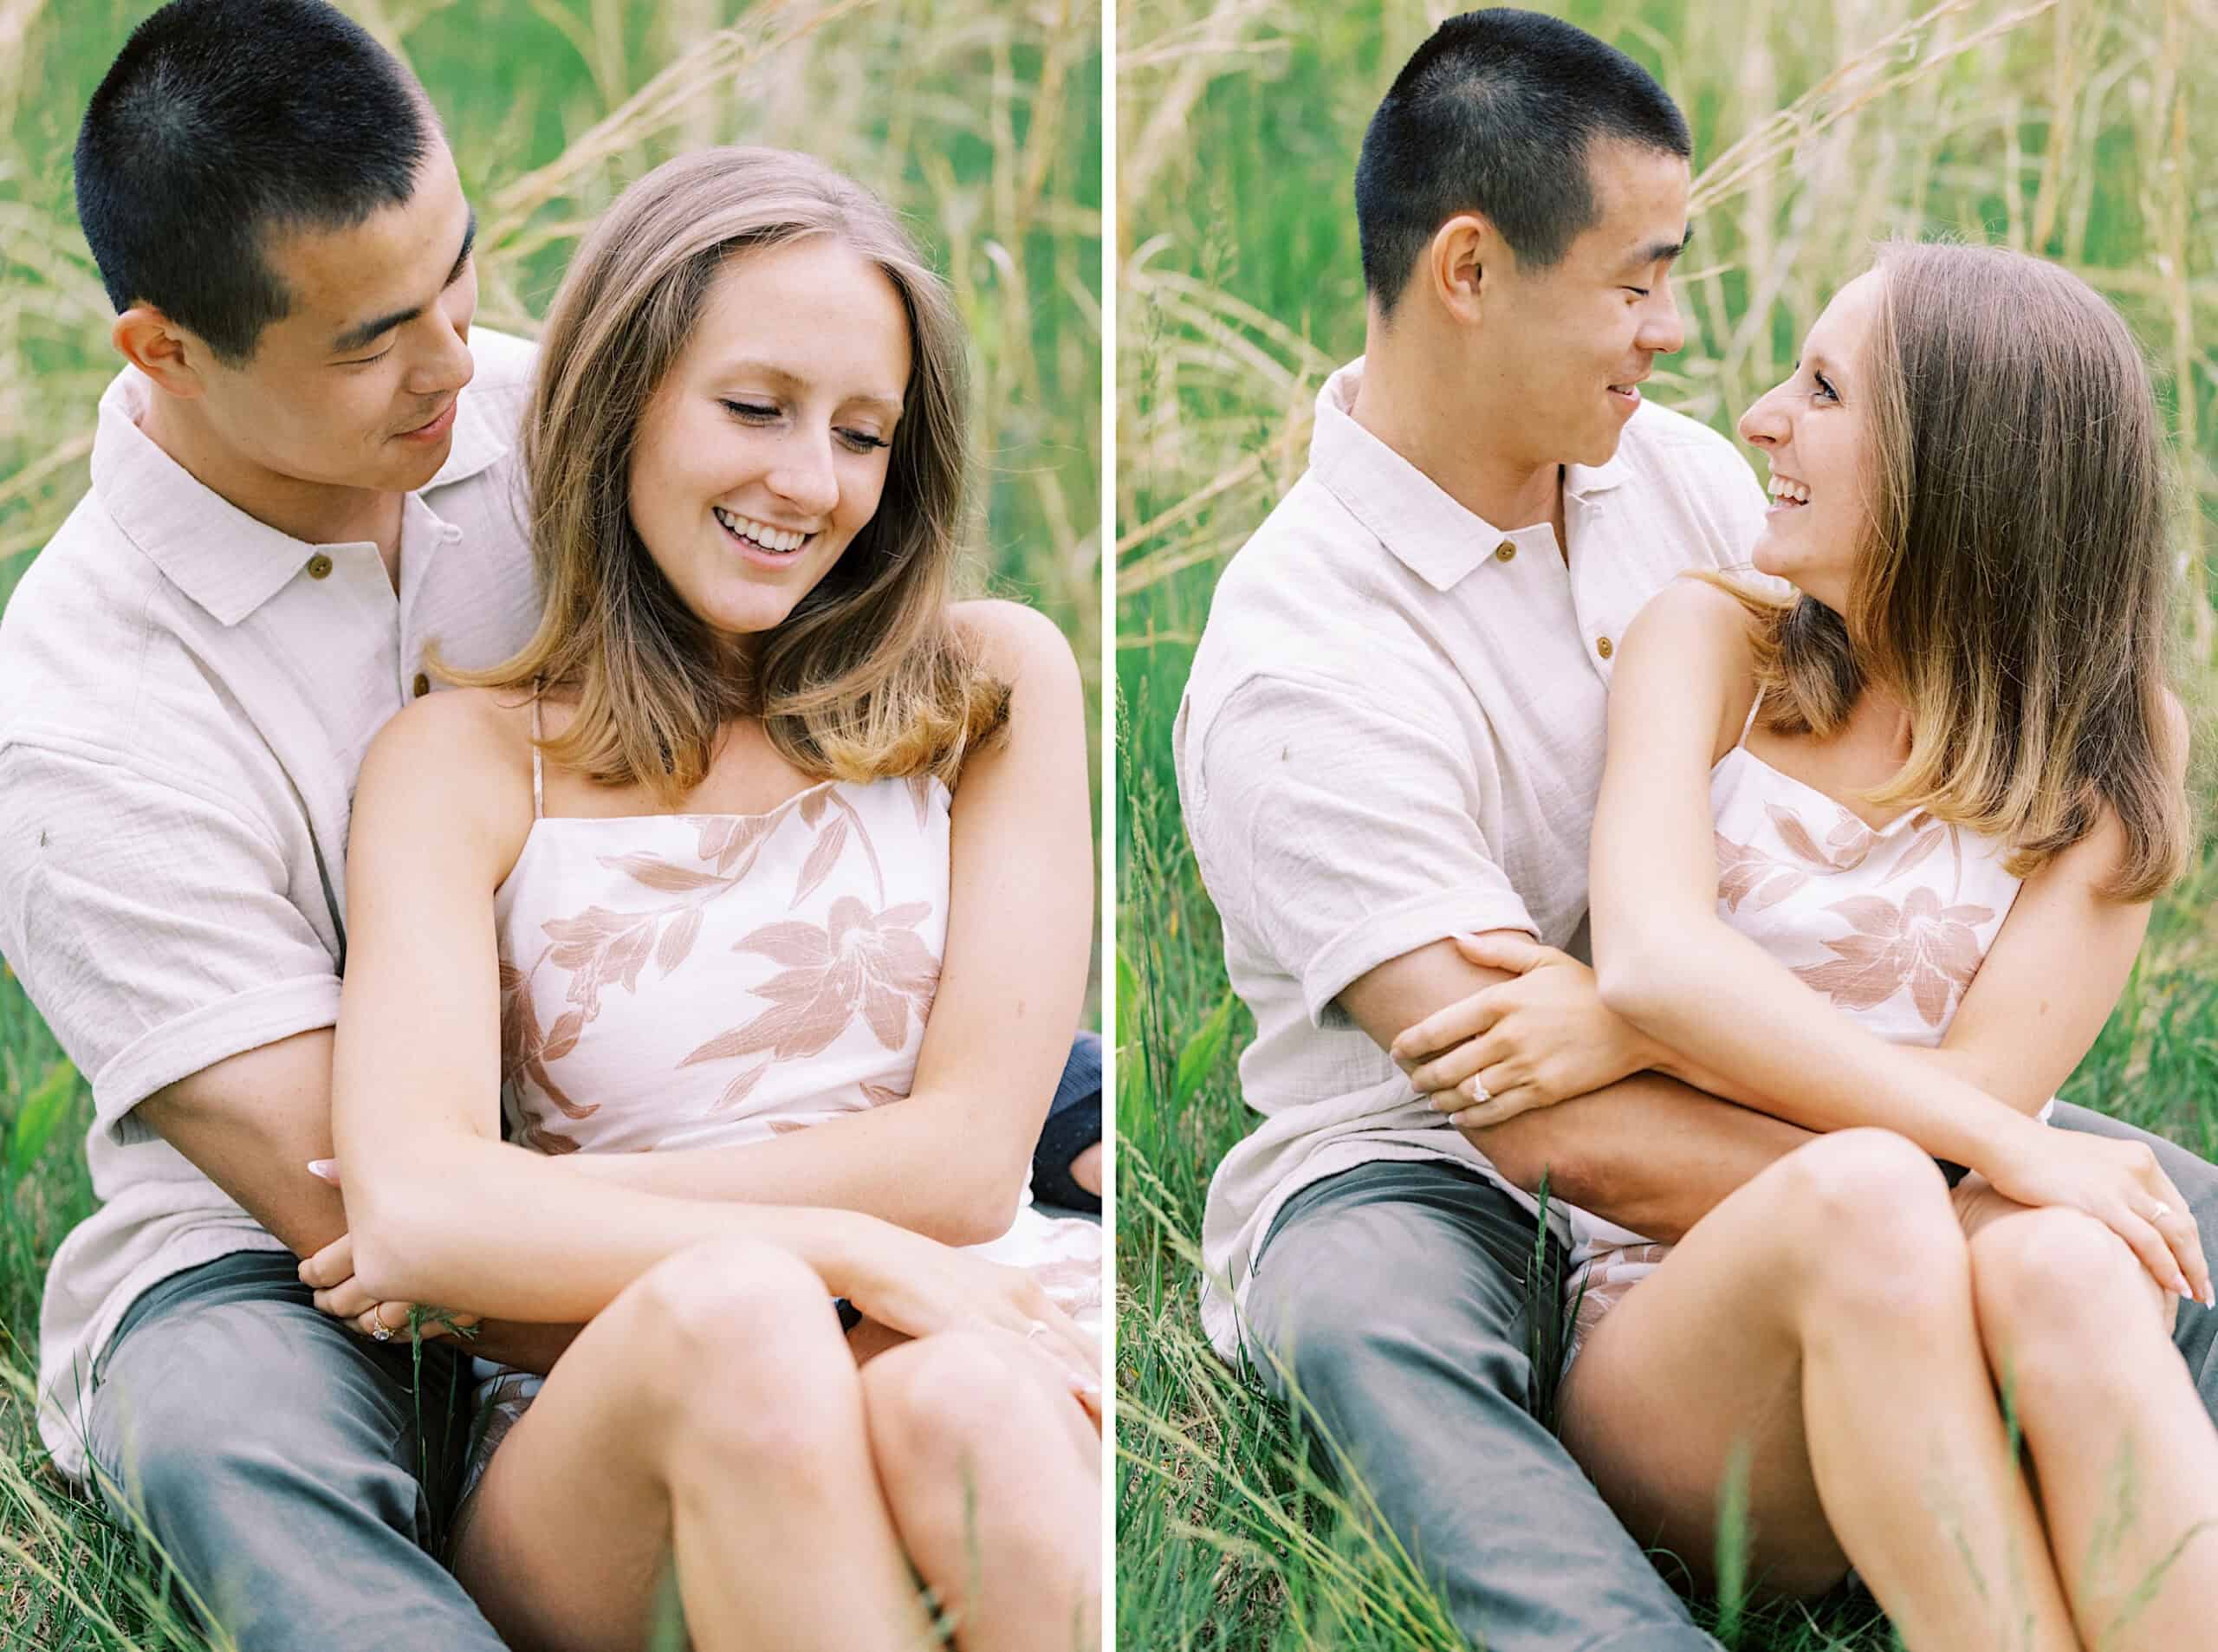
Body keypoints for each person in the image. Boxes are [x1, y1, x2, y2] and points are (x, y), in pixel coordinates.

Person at [0, 4, 1099, 1649]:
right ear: (165, 351)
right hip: (291, 1244)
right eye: (372, 339)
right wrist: (853, 1252)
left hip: (683, 1114)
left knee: (1007, 1257)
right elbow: (378, 1215)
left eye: (459, 275)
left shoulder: (565, 413)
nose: (458, 363)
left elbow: (854, 696)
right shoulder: (81, 718)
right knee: (248, 1440)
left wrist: (990, 1141)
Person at [1173, 10, 2218, 1650]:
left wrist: (1640, 1017)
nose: (1688, 345)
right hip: (1438, 1153)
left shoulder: (1678, 486)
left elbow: (1763, 966)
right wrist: (1983, 1163)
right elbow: (1532, 1108)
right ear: (1469, 270)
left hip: (1792, 1099)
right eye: (1639, 282)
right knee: (1376, 1323)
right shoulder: (1304, 665)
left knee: (2128, 1222)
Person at [302, 143, 1102, 1652]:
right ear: (621, 402)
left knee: (966, 1402)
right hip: (625, 1401)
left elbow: (967, 1169)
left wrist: (504, 1210)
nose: (810, 482)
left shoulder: (987, 687)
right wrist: (842, 1249)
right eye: (754, 408)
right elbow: (414, 1208)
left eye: (863, 434)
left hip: (959, 1317)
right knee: (739, 1310)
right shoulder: (459, 766)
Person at [1396, 243, 2218, 1649]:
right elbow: (1660, 956)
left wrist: (1637, 1032)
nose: (1761, 417)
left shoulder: (2116, 740)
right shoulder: (1713, 641)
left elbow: (1980, 1094)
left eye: (1824, 391)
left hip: (1951, 1287)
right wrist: (1654, 1003)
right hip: (1687, 1343)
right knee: (1870, 1188)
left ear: (1962, 469)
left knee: (2072, 1267)